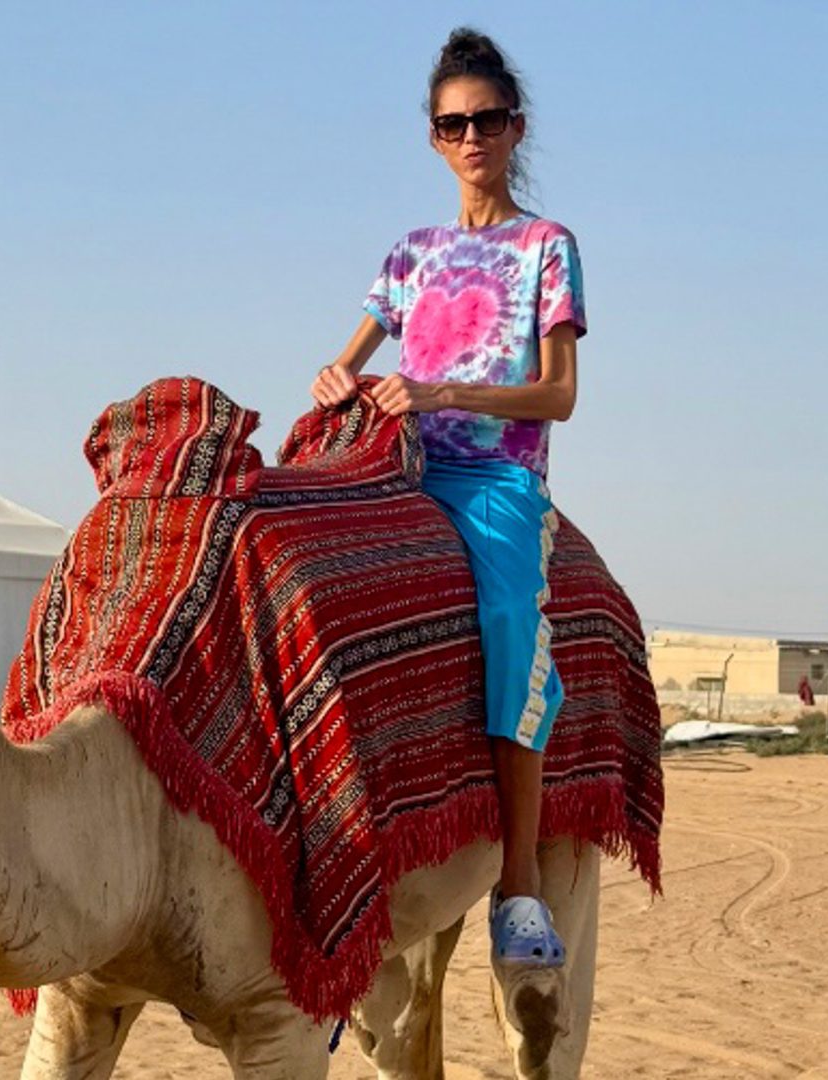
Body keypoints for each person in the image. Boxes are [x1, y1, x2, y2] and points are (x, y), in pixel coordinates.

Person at [310, 27, 585, 971]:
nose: (472, 136)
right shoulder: (411, 252)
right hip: (397, 462)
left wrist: (444, 391)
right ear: (433, 137)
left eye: (489, 119)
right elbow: (343, 359)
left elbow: (559, 397)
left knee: (510, 612)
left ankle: (518, 884)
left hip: (497, 475)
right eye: (453, 123)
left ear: (516, 129)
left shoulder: (548, 247)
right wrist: (337, 382)